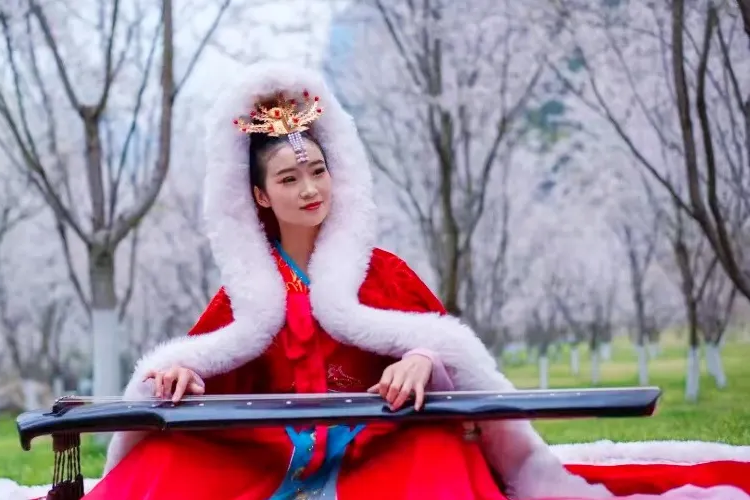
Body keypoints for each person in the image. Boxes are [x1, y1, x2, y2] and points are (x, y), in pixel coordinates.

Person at [83, 63, 750, 500]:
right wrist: (182, 373)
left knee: (437, 446)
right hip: (270, 457)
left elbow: (444, 350)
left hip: (374, 450)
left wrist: (425, 360)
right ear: (259, 196)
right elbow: (218, 368)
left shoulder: (383, 272)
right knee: (161, 466)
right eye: (288, 178)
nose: (310, 188)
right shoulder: (246, 292)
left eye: (317, 170)